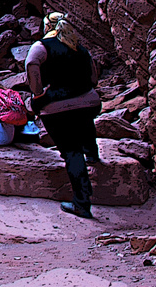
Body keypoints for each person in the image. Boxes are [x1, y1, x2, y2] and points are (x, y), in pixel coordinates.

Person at [26, 13, 101, 218]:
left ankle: (82, 203)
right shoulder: (79, 47)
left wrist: (38, 93)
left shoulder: (41, 47)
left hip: (58, 107)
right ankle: (92, 153)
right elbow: (93, 77)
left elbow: (32, 66)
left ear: (46, 26)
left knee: (71, 152)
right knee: (84, 120)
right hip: (89, 101)